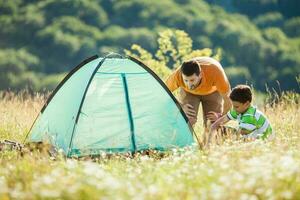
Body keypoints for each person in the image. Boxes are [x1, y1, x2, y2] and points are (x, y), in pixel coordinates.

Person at [165, 57, 232, 127]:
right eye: (186, 80)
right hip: (189, 93)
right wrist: (181, 106)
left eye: (192, 80)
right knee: (187, 119)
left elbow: (228, 99)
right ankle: (186, 138)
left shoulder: (215, 72)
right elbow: (163, 92)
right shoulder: (177, 75)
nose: (189, 84)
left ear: (200, 75)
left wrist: (221, 117)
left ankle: (226, 132)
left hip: (212, 91)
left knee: (213, 123)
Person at [206, 84, 274, 146]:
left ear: (246, 104)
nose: (234, 109)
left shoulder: (250, 115)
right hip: (253, 139)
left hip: (264, 142)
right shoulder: (239, 109)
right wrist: (214, 126)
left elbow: (241, 133)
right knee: (222, 130)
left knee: (225, 133)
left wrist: (221, 130)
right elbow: (223, 120)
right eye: (233, 106)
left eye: (236, 106)